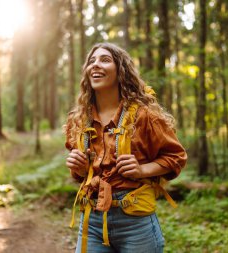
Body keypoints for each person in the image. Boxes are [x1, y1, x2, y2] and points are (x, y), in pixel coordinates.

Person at [64, 42, 187, 253]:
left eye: (105, 60)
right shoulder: (79, 120)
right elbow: (82, 176)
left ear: (121, 70)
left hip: (135, 223)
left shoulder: (145, 116)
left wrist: (142, 170)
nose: (95, 65)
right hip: (92, 220)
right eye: (91, 61)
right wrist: (81, 169)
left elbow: (176, 156)